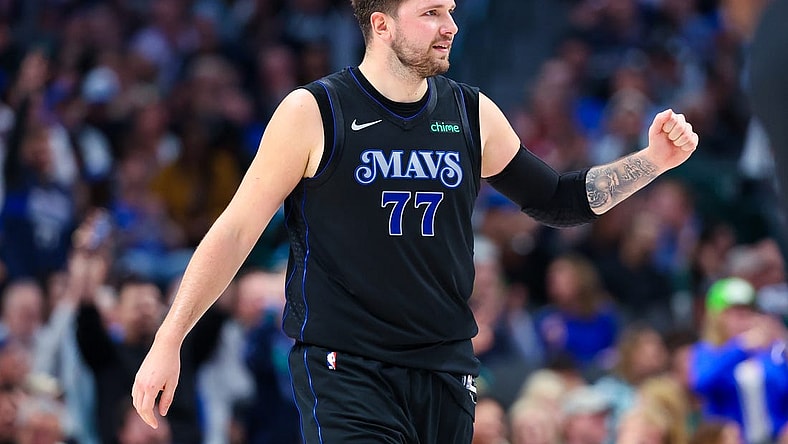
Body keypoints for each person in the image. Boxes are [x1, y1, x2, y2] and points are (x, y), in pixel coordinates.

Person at [132, 0, 699, 441]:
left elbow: (557, 199)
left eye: (450, 11)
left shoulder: (469, 112)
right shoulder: (314, 112)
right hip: (347, 366)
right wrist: (169, 338)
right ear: (381, 24)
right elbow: (235, 230)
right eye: (430, 13)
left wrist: (653, 162)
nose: (449, 24)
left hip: (445, 370)